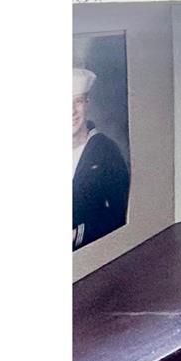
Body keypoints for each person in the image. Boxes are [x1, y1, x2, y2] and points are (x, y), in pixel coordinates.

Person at [73, 66, 130, 250]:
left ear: (87, 104)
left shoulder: (107, 152)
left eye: (78, 101)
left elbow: (120, 216)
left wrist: (77, 234)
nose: (71, 111)